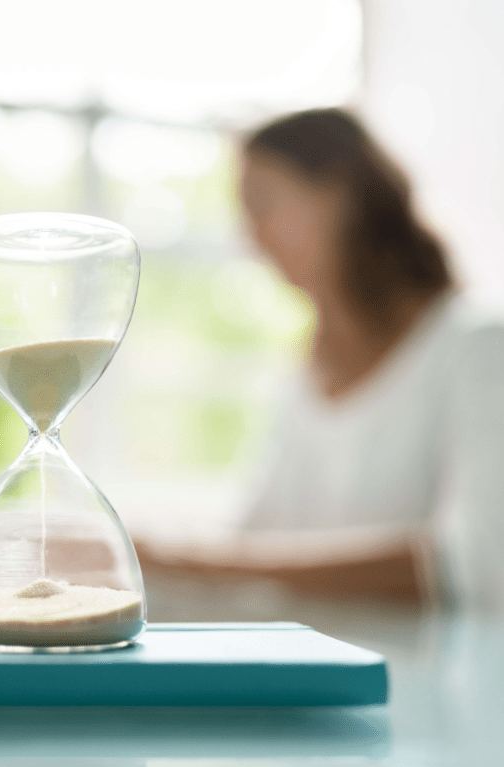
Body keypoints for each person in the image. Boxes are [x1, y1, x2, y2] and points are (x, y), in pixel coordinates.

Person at [138, 108, 504, 610]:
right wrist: (154, 554)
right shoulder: (305, 367)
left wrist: (195, 562)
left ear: (340, 195)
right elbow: (256, 537)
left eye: (262, 204)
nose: (252, 238)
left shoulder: (477, 348)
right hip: (317, 675)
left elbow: (474, 566)